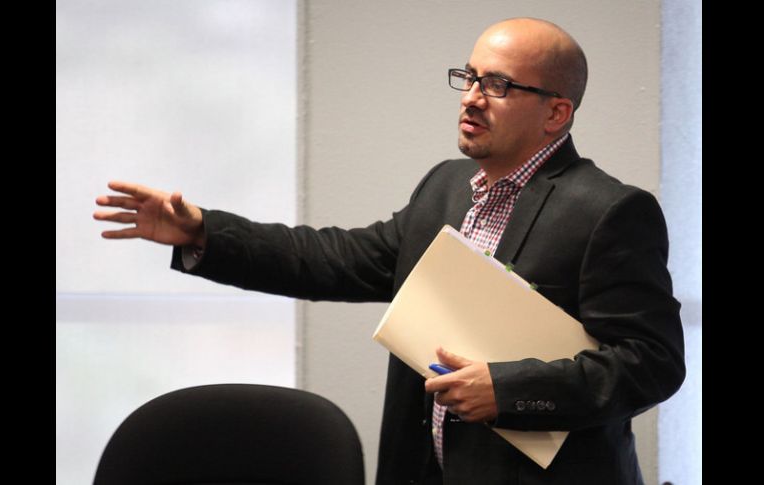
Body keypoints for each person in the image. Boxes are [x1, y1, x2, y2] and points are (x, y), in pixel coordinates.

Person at [94, 17, 685, 485]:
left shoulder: (608, 211)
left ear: (556, 112)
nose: (472, 98)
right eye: (470, 77)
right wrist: (202, 231)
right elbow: (333, 259)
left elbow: (651, 362)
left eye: (499, 85)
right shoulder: (445, 188)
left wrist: (507, 389)